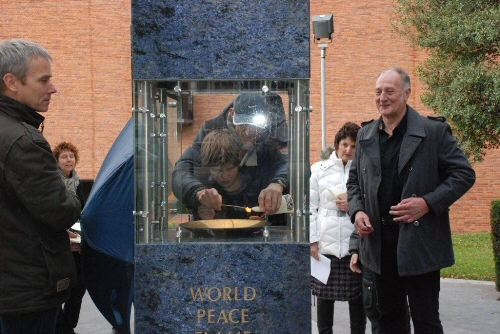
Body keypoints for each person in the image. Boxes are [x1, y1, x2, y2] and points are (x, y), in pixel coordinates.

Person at [347, 66, 476, 333]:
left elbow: (464, 174)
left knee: (426, 320)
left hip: (421, 245)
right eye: (378, 91)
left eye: (389, 91)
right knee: (389, 320)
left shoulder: (434, 132)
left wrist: (428, 203)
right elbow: (354, 183)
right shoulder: (365, 135)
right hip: (380, 246)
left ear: (407, 93)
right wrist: (357, 212)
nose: (382, 97)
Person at [0, 39, 81, 333]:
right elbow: (61, 211)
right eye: (44, 80)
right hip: (25, 293)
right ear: (11, 82)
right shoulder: (24, 141)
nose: (53, 88)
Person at [172, 92, 289, 223]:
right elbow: (182, 169)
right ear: (233, 113)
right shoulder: (211, 130)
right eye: (244, 125)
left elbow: (293, 164)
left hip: (270, 219)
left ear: (268, 118)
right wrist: (198, 192)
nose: (249, 132)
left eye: (256, 127)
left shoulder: (276, 133)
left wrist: (279, 182)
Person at [310, 122, 366, 334]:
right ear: (336, 144)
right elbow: (310, 207)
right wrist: (313, 240)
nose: (348, 150)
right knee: (324, 297)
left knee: (357, 298)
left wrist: (353, 206)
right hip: (325, 244)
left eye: (353, 146)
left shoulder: (363, 170)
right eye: (344, 144)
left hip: (355, 243)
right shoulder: (318, 170)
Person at [53, 142, 87, 334]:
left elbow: (81, 211)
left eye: (71, 156)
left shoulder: (78, 182)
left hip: (77, 239)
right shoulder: (53, 182)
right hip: (60, 239)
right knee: (60, 288)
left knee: (79, 286)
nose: (69, 160)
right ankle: (61, 328)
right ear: (57, 161)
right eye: (64, 156)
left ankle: (68, 325)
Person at [349, 230, 411, 334]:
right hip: (371, 260)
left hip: (395, 258)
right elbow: (358, 229)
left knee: (398, 313)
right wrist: (355, 251)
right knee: (374, 312)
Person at [195, 129, 252, 220]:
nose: (224, 176)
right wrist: (208, 220)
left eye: (230, 168)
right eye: (217, 170)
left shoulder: (256, 186)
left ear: (240, 164)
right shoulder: (206, 194)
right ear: (208, 167)